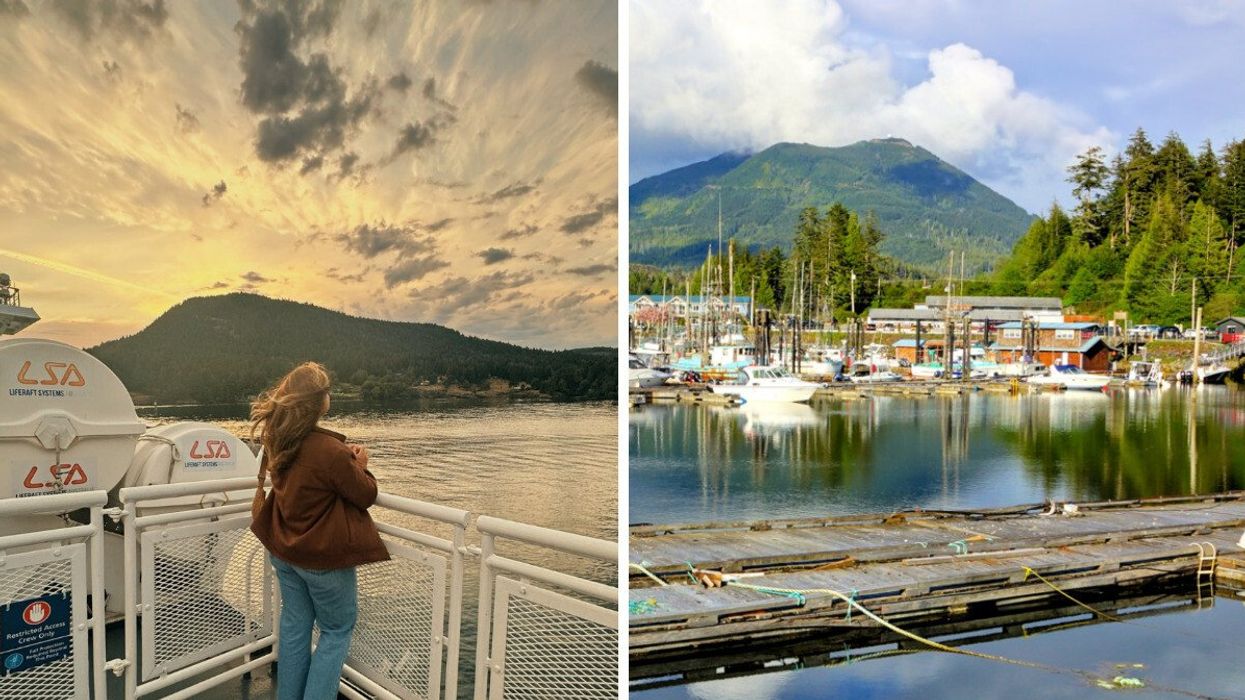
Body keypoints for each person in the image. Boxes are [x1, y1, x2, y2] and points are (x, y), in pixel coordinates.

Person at [249, 362, 389, 700]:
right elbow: (365, 495)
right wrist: (359, 464)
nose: (330, 396)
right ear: (318, 401)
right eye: (327, 391)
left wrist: (346, 459)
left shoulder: (278, 441)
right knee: (337, 630)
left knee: (296, 626)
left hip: (284, 551)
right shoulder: (329, 451)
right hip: (320, 558)